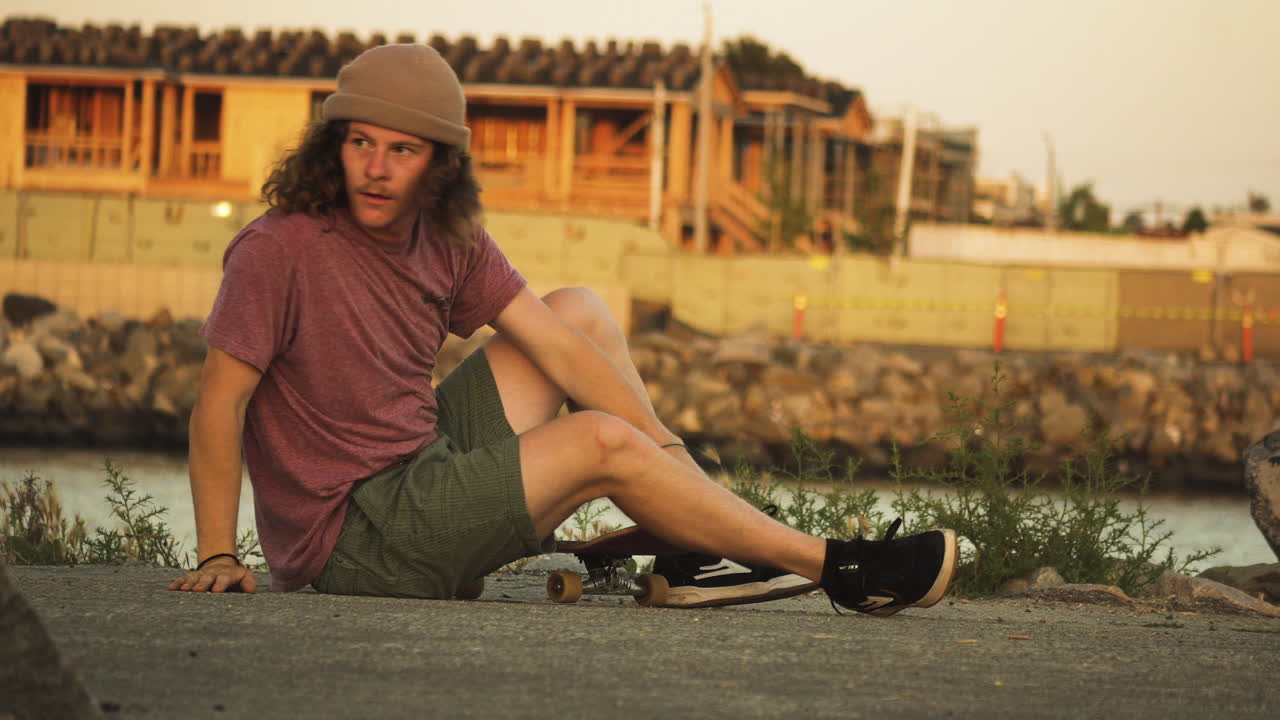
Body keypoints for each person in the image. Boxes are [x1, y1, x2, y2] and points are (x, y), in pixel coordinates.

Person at [167, 43, 957, 615]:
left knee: (576, 311)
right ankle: (839, 567)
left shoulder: (447, 236)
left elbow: (555, 347)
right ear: (333, 146)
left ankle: (690, 530)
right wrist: (218, 554)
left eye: (401, 150)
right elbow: (220, 405)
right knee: (599, 444)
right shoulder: (280, 250)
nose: (375, 168)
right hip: (353, 539)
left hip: (421, 465)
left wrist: (669, 457)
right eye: (360, 143)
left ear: (438, 164)